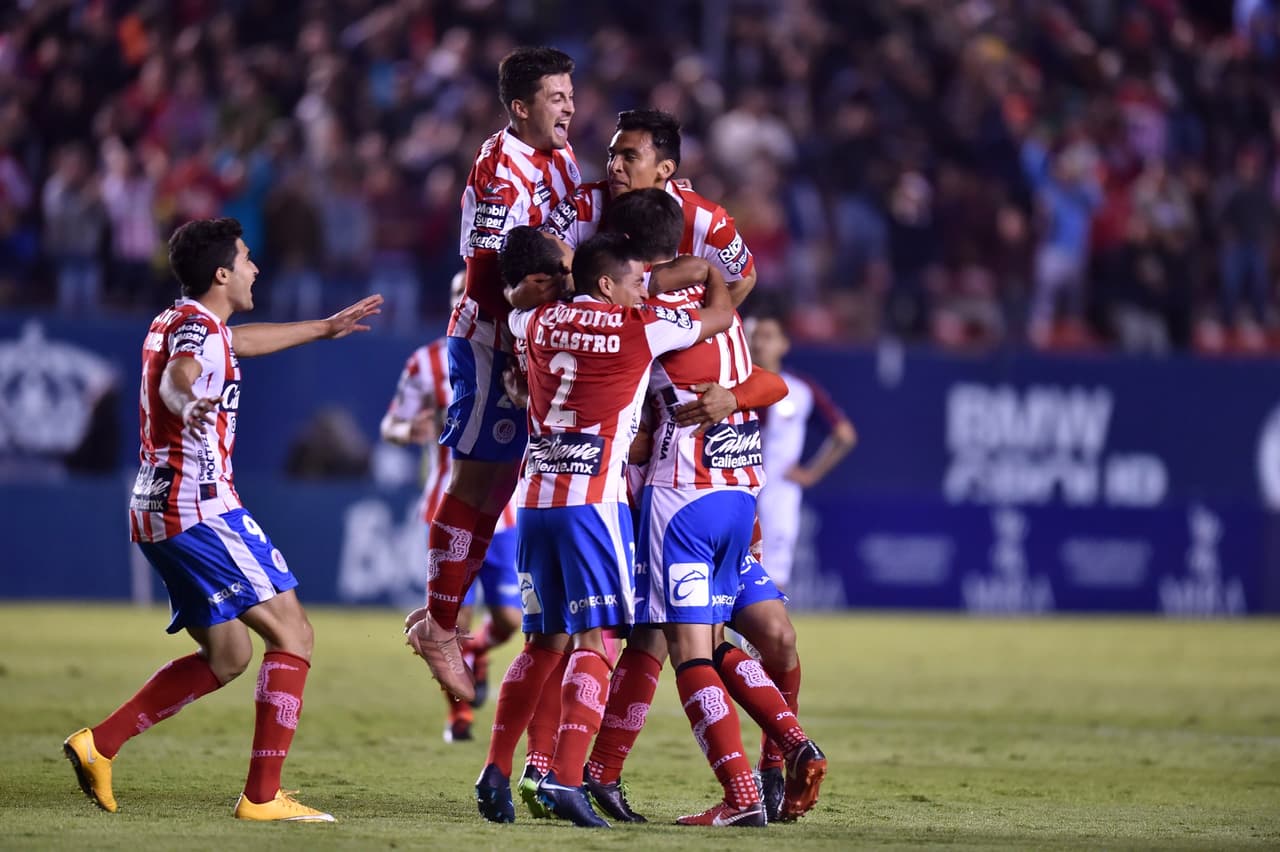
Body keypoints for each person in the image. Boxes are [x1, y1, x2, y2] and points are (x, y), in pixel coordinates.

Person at [63, 217, 383, 821]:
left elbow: (235, 343)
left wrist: (322, 327)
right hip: (200, 506)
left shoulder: (181, 319)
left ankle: (98, 745)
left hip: (155, 507)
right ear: (221, 274)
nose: (255, 268)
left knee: (229, 655)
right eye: (246, 259)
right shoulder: (194, 334)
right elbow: (178, 377)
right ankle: (262, 797)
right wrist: (187, 404)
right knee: (294, 634)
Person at [475, 229, 734, 828]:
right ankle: (567, 780)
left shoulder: (534, 321)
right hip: (593, 505)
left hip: (535, 503)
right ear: (607, 284)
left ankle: (494, 768)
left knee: (542, 643)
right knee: (594, 643)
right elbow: (720, 316)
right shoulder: (642, 326)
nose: (645, 289)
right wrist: (708, 271)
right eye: (637, 281)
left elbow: (514, 305)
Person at [599, 190, 826, 827]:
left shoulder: (641, 315)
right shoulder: (719, 310)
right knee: (719, 637)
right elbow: (771, 379)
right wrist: (707, 274)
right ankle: (791, 746)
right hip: (738, 500)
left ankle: (743, 794)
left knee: (689, 650)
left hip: (681, 500)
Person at [406, 46, 580, 702]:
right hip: (491, 342)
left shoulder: (562, 155)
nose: (569, 107)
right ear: (520, 106)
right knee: (475, 479)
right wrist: (515, 351)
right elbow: (483, 276)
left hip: (527, 339)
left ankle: (443, 617)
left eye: (570, 95)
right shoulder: (500, 170)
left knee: (501, 480)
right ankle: (440, 626)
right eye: (556, 98)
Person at [383, 271, 521, 743]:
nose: (465, 298)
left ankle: (476, 653)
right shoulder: (426, 363)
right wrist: (408, 430)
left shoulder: (516, 350)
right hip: (447, 501)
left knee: (510, 620)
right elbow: (392, 425)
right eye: (456, 293)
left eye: (470, 290)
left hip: (505, 514)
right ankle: (459, 716)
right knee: (452, 618)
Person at [747, 314, 857, 589]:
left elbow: (844, 435)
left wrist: (811, 473)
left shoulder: (799, 390)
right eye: (755, 336)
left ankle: (766, 620)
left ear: (784, 344)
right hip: (735, 488)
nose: (759, 344)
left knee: (773, 577)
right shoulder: (733, 384)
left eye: (768, 337)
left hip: (779, 494)